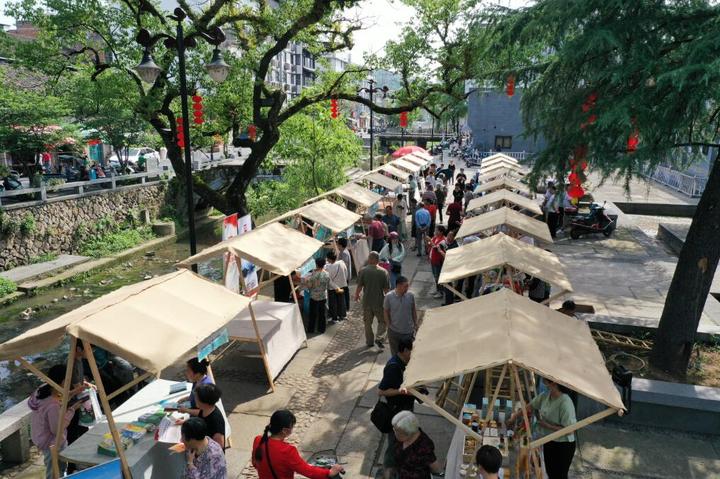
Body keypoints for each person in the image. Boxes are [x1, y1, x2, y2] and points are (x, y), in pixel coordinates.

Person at [506, 378, 577, 479]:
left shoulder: (565, 402)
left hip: (563, 445)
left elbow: (570, 430)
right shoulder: (546, 396)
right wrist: (514, 417)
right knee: (550, 472)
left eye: (546, 381)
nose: (544, 383)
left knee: (559, 475)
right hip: (549, 439)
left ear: (554, 383)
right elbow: (529, 407)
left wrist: (548, 426)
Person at [29, 364, 87, 479]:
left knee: (55, 469)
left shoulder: (43, 389)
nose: (70, 383)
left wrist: (74, 392)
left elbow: (60, 397)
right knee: (55, 472)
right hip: (52, 443)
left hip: (39, 436)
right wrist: (72, 410)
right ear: (63, 381)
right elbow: (57, 429)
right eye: (68, 380)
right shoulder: (52, 405)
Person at [252, 410, 344, 479]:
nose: (292, 429)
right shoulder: (287, 451)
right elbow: (307, 471)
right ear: (284, 430)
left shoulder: (258, 440)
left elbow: (255, 463)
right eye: (292, 427)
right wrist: (329, 472)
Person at [378, 339, 416, 479]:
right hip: (397, 413)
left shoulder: (405, 363)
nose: (414, 354)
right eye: (412, 350)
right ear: (405, 350)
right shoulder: (393, 367)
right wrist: (402, 391)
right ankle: (387, 475)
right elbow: (381, 391)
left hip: (405, 410)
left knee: (403, 442)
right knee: (393, 445)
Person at [392, 411, 443, 479]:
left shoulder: (424, 446)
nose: (395, 434)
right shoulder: (401, 437)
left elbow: (435, 468)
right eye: (394, 430)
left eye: (397, 432)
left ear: (409, 433)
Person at [355, 251, 390, 349]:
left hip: (367, 302)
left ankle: (369, 341)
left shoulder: (363, 271)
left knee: (367, 323)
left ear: (370, 259)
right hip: (379, 302)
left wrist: (357, 295)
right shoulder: (383, 272)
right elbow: (386, 290)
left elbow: (359, 286)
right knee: (383, 321)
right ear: (378, 260)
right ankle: (379, 337)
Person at [383, 276, 417, 355]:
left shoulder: (410, 295)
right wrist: (388, 325)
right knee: (395, 354)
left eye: (407, 286)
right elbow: (385, 311)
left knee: (409, 353)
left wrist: (415, 323)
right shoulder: (389, 297)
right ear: (398, 286)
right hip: (394, 332)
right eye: (405, 286)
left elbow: (413, 310)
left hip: (408, 331)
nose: (407, 288)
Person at [194, 383, 226, 449]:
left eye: (196, 397)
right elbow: (200, 415)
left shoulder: (216, 421)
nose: (195, 399)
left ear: (204, 402)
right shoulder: (206, 409)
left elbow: (219, 445)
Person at [303, 258, 330, 334]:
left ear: (316, 264)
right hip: (323, 296)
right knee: (322, 313)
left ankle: (311, 329)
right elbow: (328, 284)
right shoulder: (326, 274)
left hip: (314, 296)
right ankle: (322, 329)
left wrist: (306, 281)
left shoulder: (314, 275)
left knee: (313, 314)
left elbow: (309, 286)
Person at [325, 250, 348, 323]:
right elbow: (346, 273)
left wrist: (335, 286)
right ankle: (342, 315)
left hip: (333, 287)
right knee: (341, 301)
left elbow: (329, 279)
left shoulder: (328, 267)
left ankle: (334, 318)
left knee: (333, 303)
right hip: (342, 285)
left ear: (329, 259)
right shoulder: (342, 263)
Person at [428, 225, 447, 298]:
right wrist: (429, 242)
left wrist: (430, 241)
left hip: (437, 261)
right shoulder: (435, 237)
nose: (435, 231)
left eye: (437, 230)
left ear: (441, 232)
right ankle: (437, 290)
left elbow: (436, 248)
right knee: (435, 276)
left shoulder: (443, 240)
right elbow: (431, 244)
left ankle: (440, 292)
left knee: (438, 276)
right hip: (432, 260)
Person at [441, 230, 459, 305]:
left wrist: (440, 251)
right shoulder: (448, 244)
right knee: (447, 286)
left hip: (450, 268)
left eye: (450, 236)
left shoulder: (455, 246)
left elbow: (447, 256)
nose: (448, 237)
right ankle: (448, 301)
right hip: (446, 267)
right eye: (448, 235)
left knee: (448, 285)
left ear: (454, 237)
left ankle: (449, 302)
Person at [337, 238, 352, 311]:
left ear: (340, 245)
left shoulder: (344, 253)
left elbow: (344, 265)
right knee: (344, 291)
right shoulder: (343, 251)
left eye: (338, 244)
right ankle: (345, 307)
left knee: (345, 292)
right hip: (345, 275)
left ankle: (346, 307)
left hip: (345, 276)